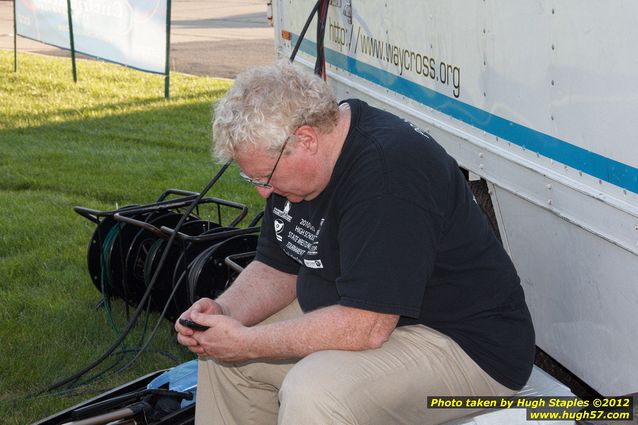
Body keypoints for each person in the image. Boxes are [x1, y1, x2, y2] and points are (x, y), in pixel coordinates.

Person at [175, 61, 535, 425]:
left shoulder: (387, 174)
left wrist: (248, 342)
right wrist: (223, 315)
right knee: (225, 361)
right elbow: (276, 268)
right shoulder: (297, 168)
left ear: (306, 140)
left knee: (316, 391)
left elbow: (368, 325)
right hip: (366, 313)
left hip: (466, 346)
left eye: (265, 176)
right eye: (250, 177)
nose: (262, 190)